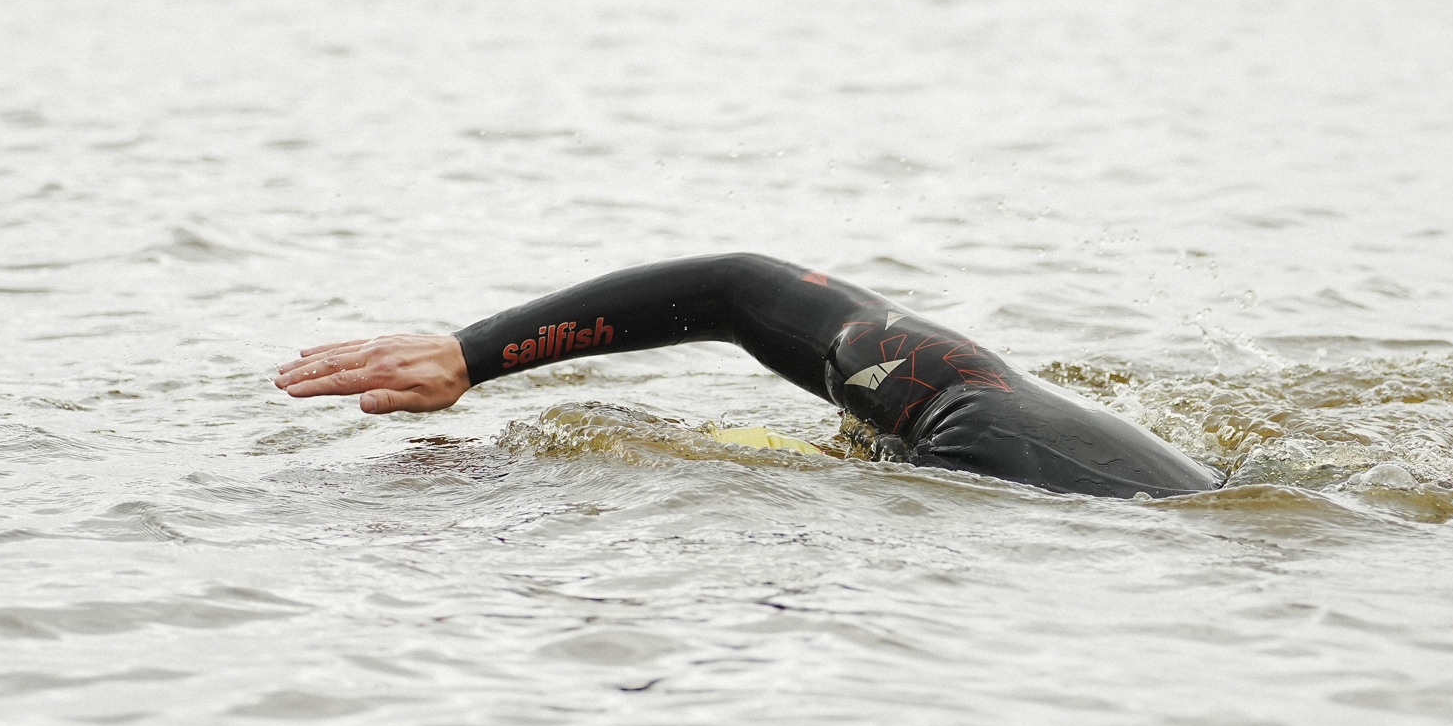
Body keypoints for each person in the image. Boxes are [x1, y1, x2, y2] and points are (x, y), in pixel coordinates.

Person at [274, 252, 1220, 499]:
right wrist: (470, 355)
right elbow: (739, 291)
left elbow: (737, 292)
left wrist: (472, 362)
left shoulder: (971, 423)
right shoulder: (962, 400)